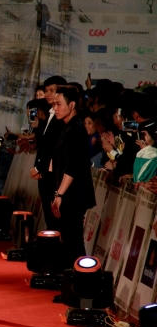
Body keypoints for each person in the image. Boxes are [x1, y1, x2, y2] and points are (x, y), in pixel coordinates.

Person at [50, 85, 95, 267]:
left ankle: (80, 279)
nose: (55, 108)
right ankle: (72, 277)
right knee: (69, 239)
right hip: (68, 192)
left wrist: (59, 194)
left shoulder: (76, 129)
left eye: (59, 104)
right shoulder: (66, 127)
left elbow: (73, 167)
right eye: (54, 104)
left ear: (72, 105)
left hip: (74, 194)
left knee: (74, 241)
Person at [30, 75, 66, 230]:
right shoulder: (49, 114)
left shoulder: (63, 118)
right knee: (49, 216)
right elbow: (44, 145)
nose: (48, 94)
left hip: (55, 175)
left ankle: (57, 243)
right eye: (46, 90)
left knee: (56, 218)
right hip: (44, 173)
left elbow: (54, 148)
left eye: (52, 90)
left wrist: (40, 168)